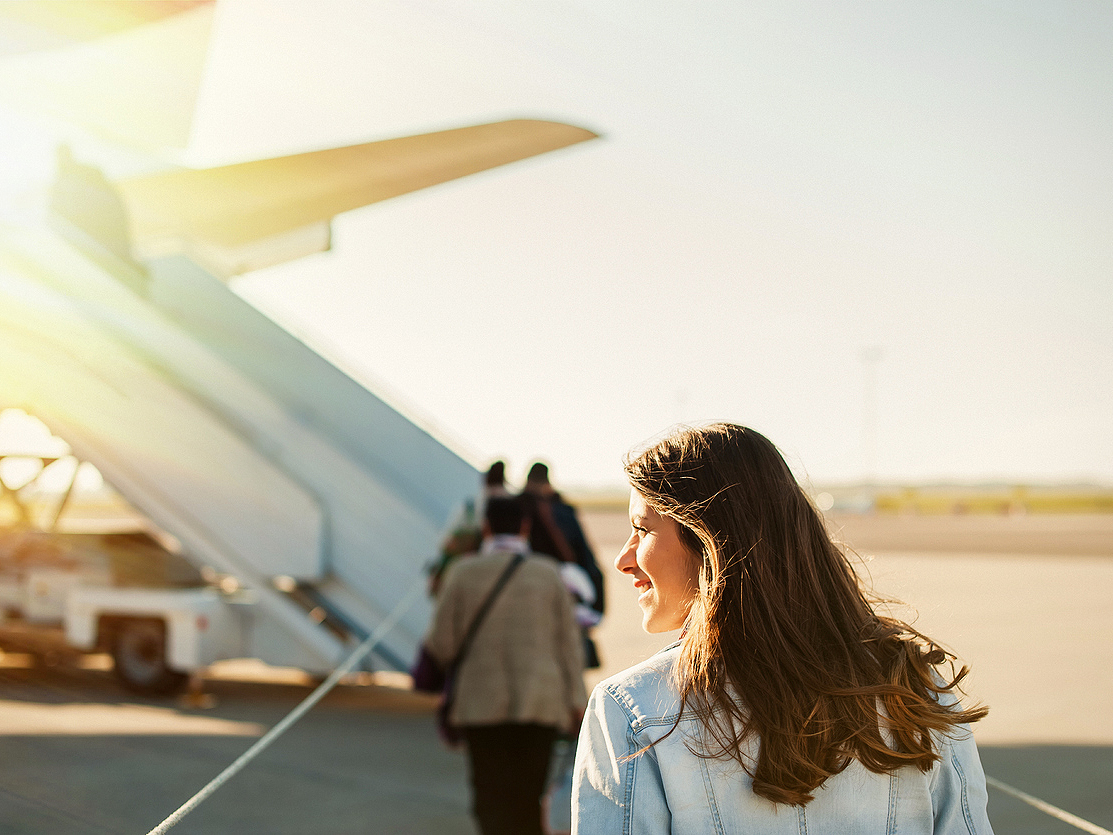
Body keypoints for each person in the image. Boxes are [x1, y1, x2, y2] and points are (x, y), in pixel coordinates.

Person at [572, 423, 993, 834]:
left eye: (642, 529)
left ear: (710, 540)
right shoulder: (915, 690)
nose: (623, 559)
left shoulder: (634, 710)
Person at [425, 495, 587, 835]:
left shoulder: (463, 573)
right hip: (541, 701)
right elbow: (569, 647)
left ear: (486, 527)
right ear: (525, 527)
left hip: (481, 703)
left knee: (490, 795)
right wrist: (576, 702)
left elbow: (442, 643)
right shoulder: (549, 574)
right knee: (528, 797)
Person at [520, 461, 606, 666]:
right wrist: (595, 609)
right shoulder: (563, 512)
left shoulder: (515, 510)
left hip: (525, 601)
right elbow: (587, 560)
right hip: (565, 599)